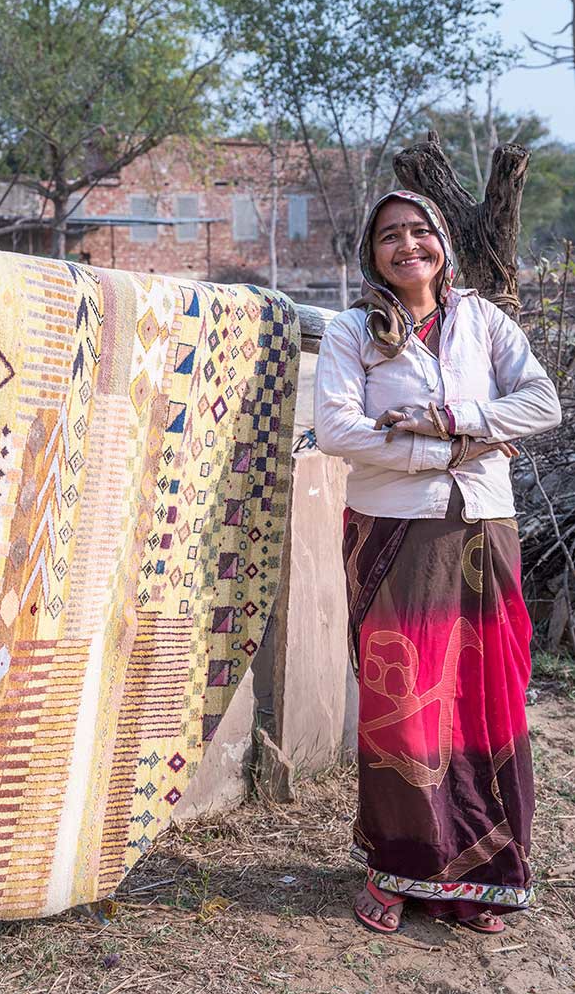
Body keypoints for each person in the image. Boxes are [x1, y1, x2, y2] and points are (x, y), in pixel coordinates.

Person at [314, 190, 561, 935]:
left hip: (484, 527)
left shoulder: (484, 322)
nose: (407, 244)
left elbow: (542, 401)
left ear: (444, 244)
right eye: (390, 235)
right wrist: (450, 449)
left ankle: (486, 872)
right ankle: (398, 868)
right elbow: (336, 429)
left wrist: (452, 419)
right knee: (405, 704)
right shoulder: (353, 330)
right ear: (372, 253)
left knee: (487, 696)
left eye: (421, 231)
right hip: (396, 532)